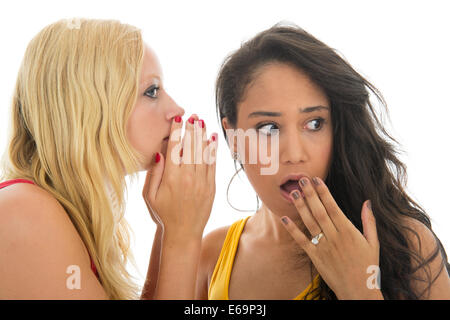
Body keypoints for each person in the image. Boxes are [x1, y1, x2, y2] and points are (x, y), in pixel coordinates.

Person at [195, 23, 450, 300]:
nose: (294, 153)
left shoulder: (407, 246)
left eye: (314, 123)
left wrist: (361, 291)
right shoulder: (211, 256)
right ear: (233, 137)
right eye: (269, 128)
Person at [0, 18, 218, 299]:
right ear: (88, 108)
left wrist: (169, 228)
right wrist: (183, 236)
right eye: (151, 91)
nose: (176, 109)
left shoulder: (58, 212)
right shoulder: (24, 210)